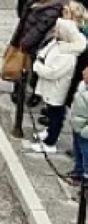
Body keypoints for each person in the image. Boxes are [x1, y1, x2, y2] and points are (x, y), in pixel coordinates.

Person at [30, 18, 86, 154]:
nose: (55, 31)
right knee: (51, 112)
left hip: (57, 90)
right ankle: (49, 132)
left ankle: (50, 142)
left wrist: (38, 67)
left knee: (56, 116)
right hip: (50, 87)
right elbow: (44, 51)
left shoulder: (68, 55)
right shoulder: (57, 43)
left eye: (58, 30)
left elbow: (53, 72)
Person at [68, 66, 88, 181]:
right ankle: (78, 170)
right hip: (77, 125)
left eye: (86, 72)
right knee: (77, 148)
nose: (83, 72)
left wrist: (84, 131)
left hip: (84, 129)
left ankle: (86, 176)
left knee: (86, 152)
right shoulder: (82, 85)